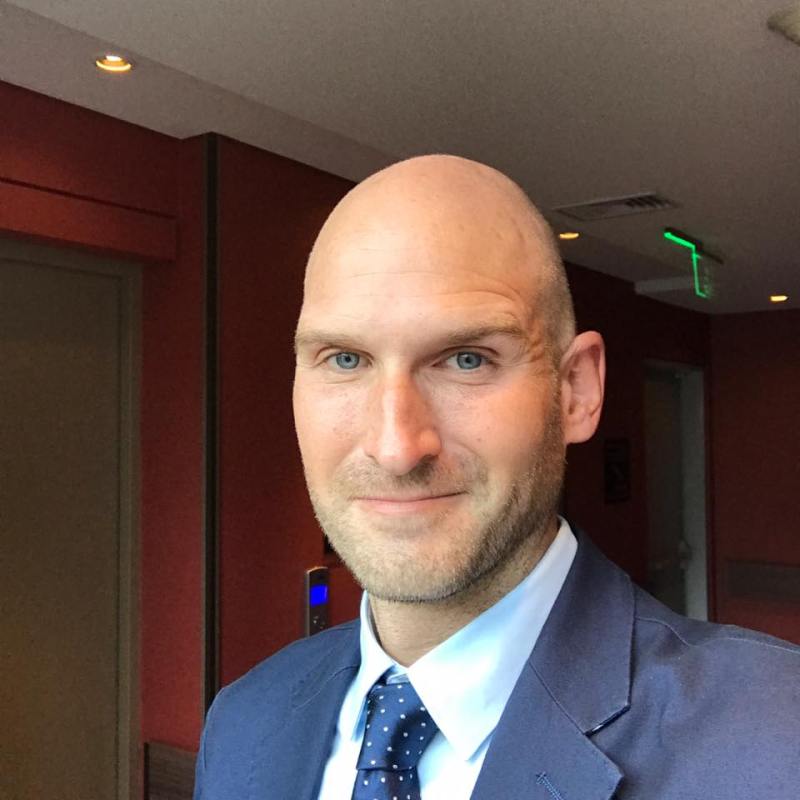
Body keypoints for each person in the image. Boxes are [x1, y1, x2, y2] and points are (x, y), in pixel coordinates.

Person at [193, 155, 799, 799]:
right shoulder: (244, 721)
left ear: (576, 390)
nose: (396, 447)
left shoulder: (773, 745)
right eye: (344, 359)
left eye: (466, 359)